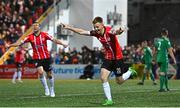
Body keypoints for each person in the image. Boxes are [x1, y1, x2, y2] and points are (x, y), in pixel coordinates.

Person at [62, 16, 137, 105]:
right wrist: (69, 27)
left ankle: (130, 71)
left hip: (117, 59)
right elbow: (81, 32)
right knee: (103, 77)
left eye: (97, 26)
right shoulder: (96, 33)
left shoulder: (109, 31)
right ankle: (109, 100)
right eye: (94, 27)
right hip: (108, 58)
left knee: (119, 81)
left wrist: (119, 31)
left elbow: (116, 32)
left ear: (102, 25)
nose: (96, 29)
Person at [7, 22, 68, 97]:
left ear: (39, 27)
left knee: (50, 75)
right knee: (41, 72)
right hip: (36, 58)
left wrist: (63, 43)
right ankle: (46, 88)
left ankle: (52, 89)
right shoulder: (30, 37)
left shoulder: (44, 34)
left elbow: (54, 40)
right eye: (34, 26)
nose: (35, 27)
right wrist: (10, 45)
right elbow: (20, 43)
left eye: (36, 25)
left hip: (46, 57)